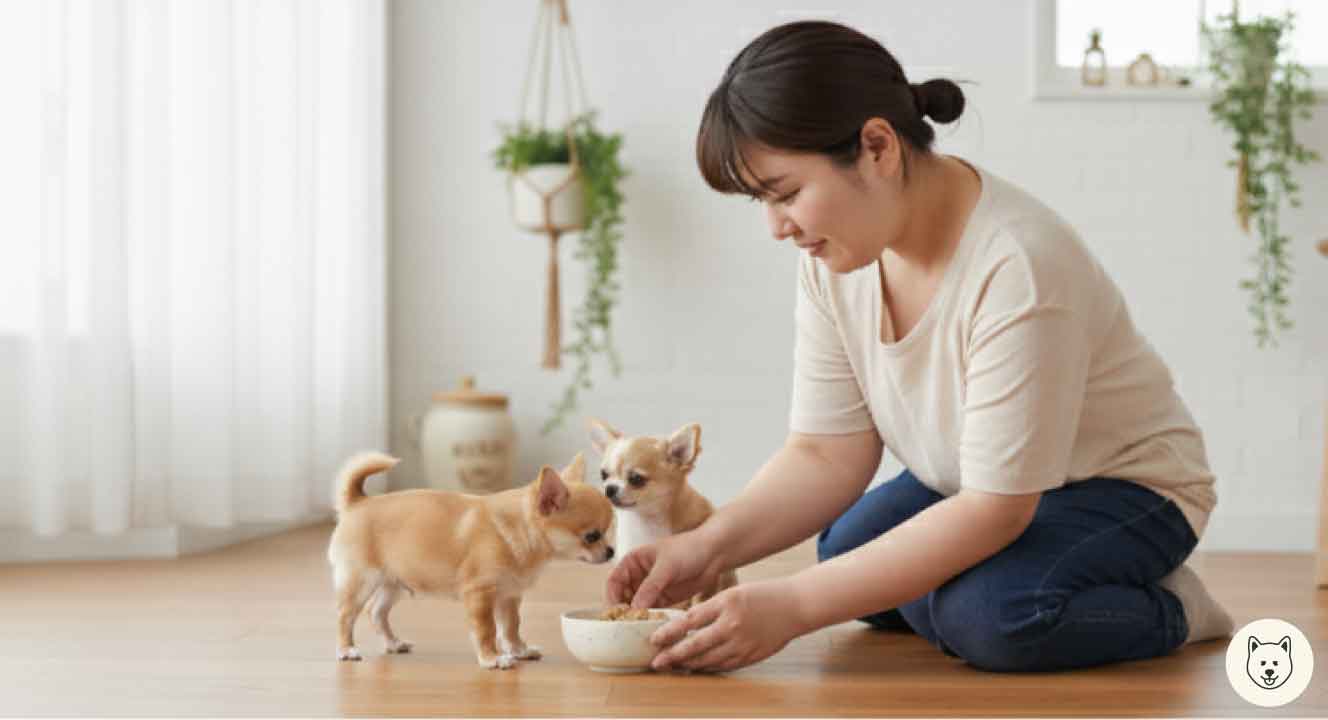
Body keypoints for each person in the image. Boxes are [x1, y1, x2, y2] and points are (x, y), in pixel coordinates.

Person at [605, 20, 1233, 674]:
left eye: (786, 194)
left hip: (1125, 487)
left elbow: (995, 509)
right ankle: (977, 585)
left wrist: (790, 607)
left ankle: (1177, 608)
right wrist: (707, 546)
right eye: (762, 202)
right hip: (978, 482)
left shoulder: (1018, 264)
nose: (776, 227)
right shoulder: (835, 259)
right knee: (846, 554)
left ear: (876, 146)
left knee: (992, 617)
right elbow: (826, 453)